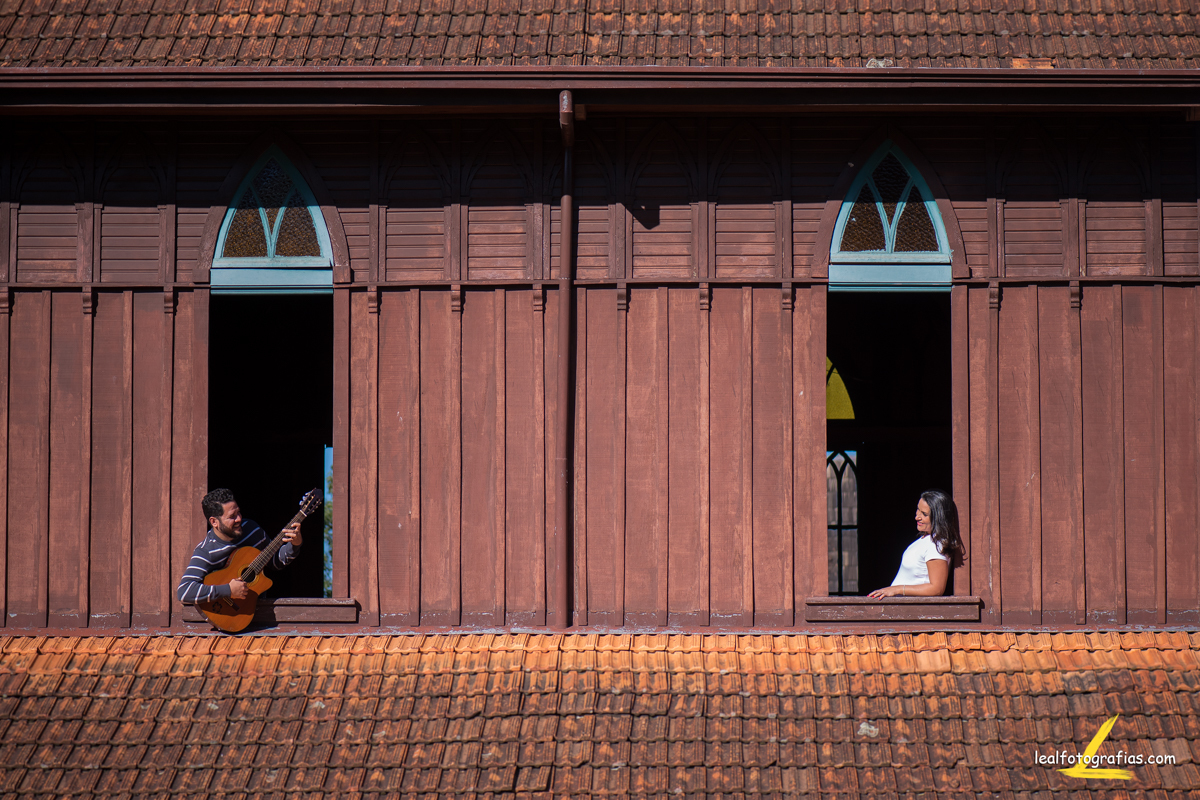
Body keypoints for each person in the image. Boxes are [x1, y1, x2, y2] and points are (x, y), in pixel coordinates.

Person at [176, 487, 302, 605]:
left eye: (238, 513)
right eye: (232, 516)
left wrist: (294, 545)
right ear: (214, 522)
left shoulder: (252, 530)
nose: (239, 519)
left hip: (259, 610)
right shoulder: (206, 551)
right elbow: (184, 592)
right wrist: (228, 590)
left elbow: (275, 561)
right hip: (227, 616)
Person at [868, 489, 964, 598]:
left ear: (938, 517)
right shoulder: (926, 539)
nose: (917, 517)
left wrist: (897, 589)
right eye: (918, 510)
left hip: (912, 611)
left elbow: (937, 588)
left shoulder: (935, 544)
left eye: (924, 514)